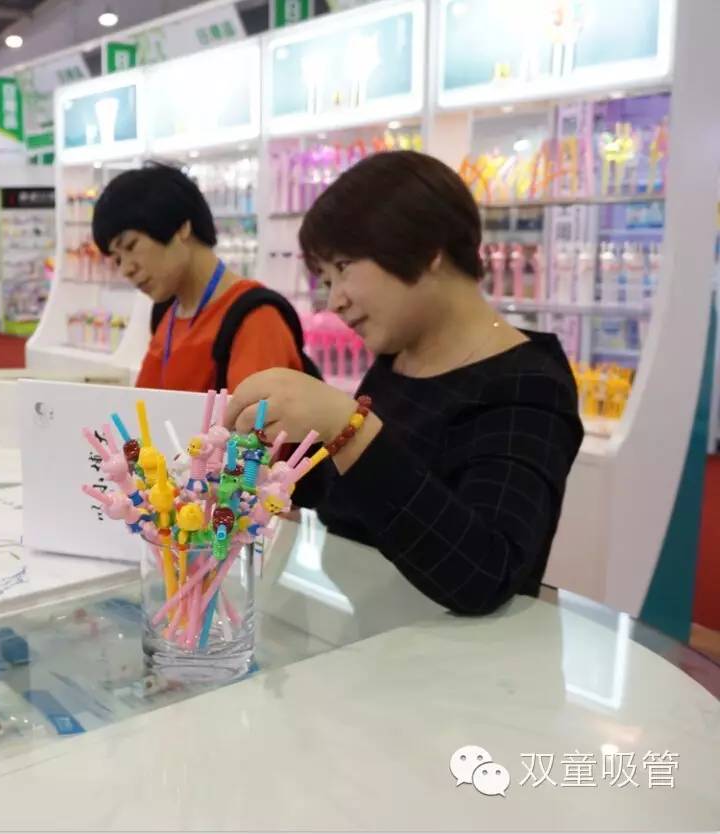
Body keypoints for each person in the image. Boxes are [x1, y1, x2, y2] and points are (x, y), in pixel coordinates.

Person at [225, 151, 583, 616]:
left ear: (426, 247)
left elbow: (484, 575)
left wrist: (347, 426)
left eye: (344, 267)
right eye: (326, 279)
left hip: (465, 656)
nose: (335, 301)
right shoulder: (396, 362)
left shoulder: (529, 384)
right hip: (372, 638)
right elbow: (354, 505)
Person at [92, 162, 319, 393]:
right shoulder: (166, 313)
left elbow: (254, 416)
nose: (126, 269)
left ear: (181, 227)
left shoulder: (256, 319)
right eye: (117, 259)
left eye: (131, 246)